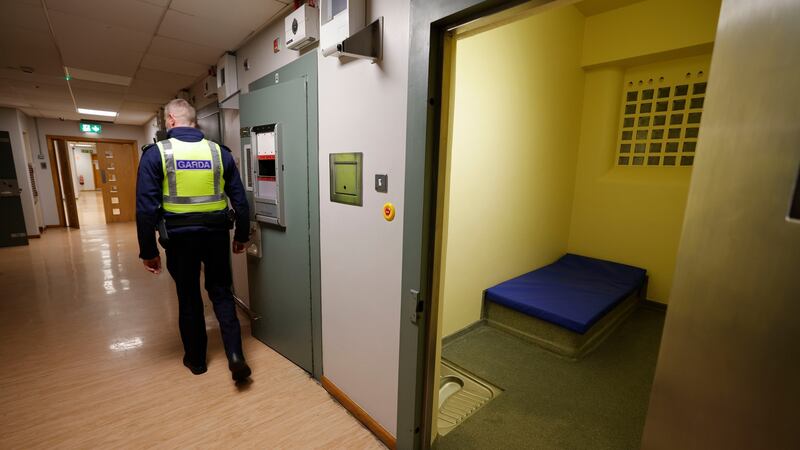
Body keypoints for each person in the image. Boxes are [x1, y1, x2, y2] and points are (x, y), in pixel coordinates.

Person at [136, 99, 251, 382]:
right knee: (222, 293)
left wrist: (148, 251)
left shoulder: (156, 154)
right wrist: (242, 235)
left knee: (188, 296)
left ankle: (197, 361)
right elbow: (240, 200)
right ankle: (235, 355)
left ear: (171, 121)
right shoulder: (218, 152)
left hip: (178, 239)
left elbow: (145, 208)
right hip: (215, 235)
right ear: (195, 122)